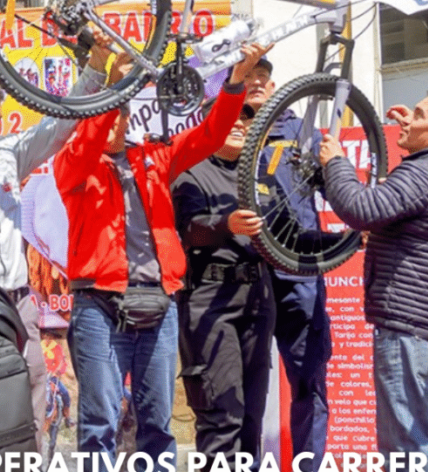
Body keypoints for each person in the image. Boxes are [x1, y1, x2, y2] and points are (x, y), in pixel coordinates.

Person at [52, 43, 270, 470]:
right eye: (110, 112)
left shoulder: (155, 157)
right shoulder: (75, 164)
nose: (118, 120)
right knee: (100, 422)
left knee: (158, 423)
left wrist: (237, 82)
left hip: (160, 302)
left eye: (123, 111)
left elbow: (210, 133)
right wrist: (113, 85)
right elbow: (92, 133)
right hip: (100, 304)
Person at [0, 34, 112, 448]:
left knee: (33, 397)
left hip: (20, 305)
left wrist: (97, 68)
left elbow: (60, 125)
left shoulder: (9, 156)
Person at [319, 88, 428, 470]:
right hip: (415, 315)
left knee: (406, 437)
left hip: (405, 317)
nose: (405, 120)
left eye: (419, 115)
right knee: (414, 427)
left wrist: (336, 163)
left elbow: (362, 208)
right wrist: (415, 122)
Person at [171, 102, 275, 471]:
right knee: (221, 416)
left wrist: (343, 241)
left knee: (252, 418)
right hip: (210, 301)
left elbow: (289, 236)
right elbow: (189, 230)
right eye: (229, 115)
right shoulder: (190, 173)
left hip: (258, 300)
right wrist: (225, 224)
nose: (239, 122)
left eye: (246, 117)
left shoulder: (261, 177)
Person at [242, 57, 330, 470]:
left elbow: (334, 185)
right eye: (248, 78)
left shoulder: (301, 130)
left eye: (263, 78)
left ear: (274, 85)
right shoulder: (225, 131)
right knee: (242, 386)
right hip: (247, 272)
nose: (256, 84)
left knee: (308, 381)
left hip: (298, 271)